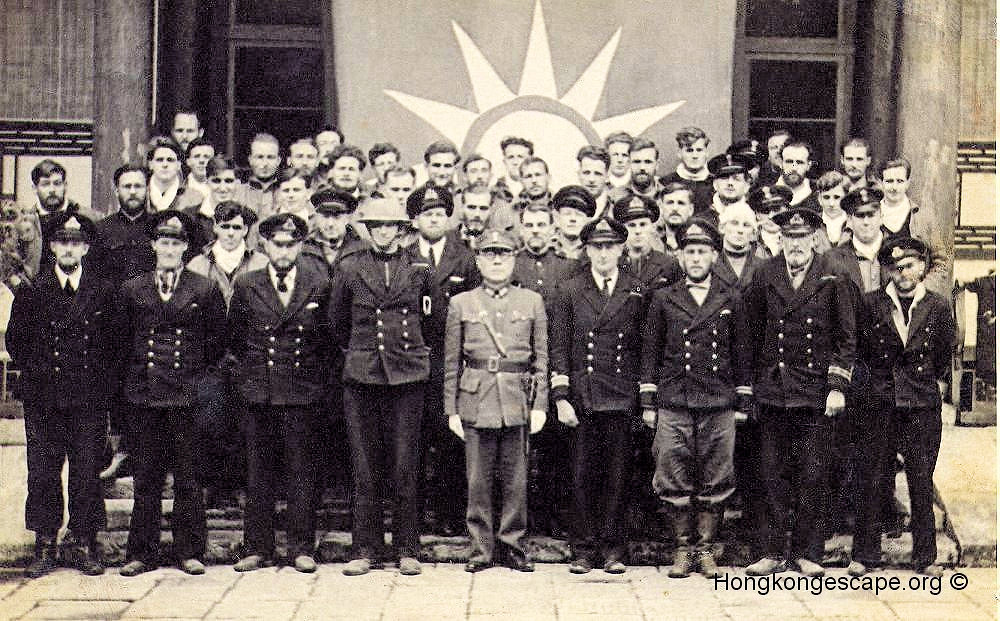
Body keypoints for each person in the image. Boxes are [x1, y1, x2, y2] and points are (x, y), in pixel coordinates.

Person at [329, 198, 443, 576]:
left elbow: (433, 322)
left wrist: (412, 356)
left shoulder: (421, 270)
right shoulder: (349, 268)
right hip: (363, 376)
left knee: (405, 462)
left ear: (400, 229)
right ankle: (365, 548)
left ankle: (408, 548)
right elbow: (337, 324)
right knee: (365, 464)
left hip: (408, 375)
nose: (383, 232)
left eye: (389, 225)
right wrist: (360, 354)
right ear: (367, 229)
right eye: (375, 225)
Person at [742, 207, 856, 578]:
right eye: (788, 238)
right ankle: (771, 551)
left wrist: (837, 386)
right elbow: (753, 331)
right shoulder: (765, 272)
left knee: (813, 472)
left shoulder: (833, 274)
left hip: (814, 390)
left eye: (801, 237)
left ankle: (809, 553)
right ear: (781, 240)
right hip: (774, 389)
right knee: (771, 472)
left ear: (814, 239)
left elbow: (846, 337)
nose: (795, 245)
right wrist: (754, 384)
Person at [7, 213, 119, 578]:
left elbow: (113, 345)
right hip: (44, 397)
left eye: (76, 242)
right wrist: (41, 374)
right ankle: (45, 543)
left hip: (87, 397)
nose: (69, 248)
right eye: (62, 242)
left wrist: (101, 386)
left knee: (86, 472)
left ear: (86, 248)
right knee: (42, 472)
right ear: (52, 247)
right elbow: (17, 343)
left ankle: (83, 542)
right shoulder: (33, 291)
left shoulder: (103, 290)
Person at [118, 210, 227, 577]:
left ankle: (189, 550)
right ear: (153, 244)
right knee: (146, 477)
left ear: (185, 248)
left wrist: (197, 383)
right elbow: (122, 343)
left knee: (188, 475)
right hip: (145, 396)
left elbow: (216, 341)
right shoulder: (133, 288)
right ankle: (141, 553)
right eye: (163, 241)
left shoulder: (204, 287)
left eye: (176, 243)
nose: (169, 248)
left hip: (185, 394)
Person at [640, 218, 750, 578]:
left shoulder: (730, 297)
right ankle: (682, 549)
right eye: (690, 251)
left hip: (717, 401)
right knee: (673, 475)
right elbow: (651, 352)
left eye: (703, 251)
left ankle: (705, 550)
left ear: (715, 255)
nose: (696, 258)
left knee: (717, 478)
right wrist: (649, 401)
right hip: (675, 400)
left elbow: (742, 352)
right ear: (681, 255)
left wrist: (742, 399)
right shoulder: (664, 297)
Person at [228, 213, 331, 573]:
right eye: (277, 244)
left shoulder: (318, 283)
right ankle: (257, 547)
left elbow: (327, 341)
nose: (284, 251)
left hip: (302, 392)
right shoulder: (246, 284)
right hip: (260, 391)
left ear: (301, 246)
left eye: (291, 244)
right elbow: (235, 340)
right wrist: (248, 381)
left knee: (301, 471)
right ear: (265, 246)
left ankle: (301, 547)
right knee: (258, 471)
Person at [443, 228, 549, 572]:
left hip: (517, 399)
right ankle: (481, 551)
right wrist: (451, 409)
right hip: (476, 399)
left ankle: (514, 547)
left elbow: (541, 360)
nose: (497, 260)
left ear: (514, 259)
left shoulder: (531, 301)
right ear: (478, 260)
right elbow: (450, 362)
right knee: (477, 481)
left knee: (517, 482)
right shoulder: (461, 303)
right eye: (490, 254)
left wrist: (540, 405)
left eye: (504, 253)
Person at [851, 237, 954, 578]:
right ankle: (865, 555)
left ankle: (925, 557)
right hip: (880, 403)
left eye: (909, 266)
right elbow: (862, 352)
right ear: (888, 271)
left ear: (922, 268)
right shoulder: (871, 304)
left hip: (921, 405)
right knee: (872, 478)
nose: (903, 273)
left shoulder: (938, 306)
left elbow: (943, 355)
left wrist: (934, 390)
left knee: (921, 480)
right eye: (896, 268)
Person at [550, 217, 647, 575]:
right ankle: (583, 548)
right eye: (596, 247)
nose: (603, 254)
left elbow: (641, 348)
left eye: (610, 246)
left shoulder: (636, 291)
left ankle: (613, 550)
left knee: (618, 476)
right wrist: (561, 396)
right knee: (580, 474)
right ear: (586, 250)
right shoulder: (569, 290)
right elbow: (559, 346)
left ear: (621, 248)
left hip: (621, 397)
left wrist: (641, 398)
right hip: (582, 397)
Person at [404, 185, 479, 536]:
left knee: (451, 439)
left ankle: (450, 514)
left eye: (439, 214)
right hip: (412, 358)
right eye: (426, 214)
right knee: (413, 440)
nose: (434, 219)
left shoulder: (464, 258)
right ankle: (413, 515)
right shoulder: (404, 257)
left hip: (452, 361)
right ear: (415, 219)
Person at [185, 201, 267, 504]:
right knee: (210, 418)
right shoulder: (198, 264)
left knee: (248, 420)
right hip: (210, 351)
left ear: (246, 229)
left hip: (250, 351)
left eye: (237, 227)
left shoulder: (260, 262)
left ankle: (243, 484)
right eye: (225, 226)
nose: (231, 233)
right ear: (215, 227)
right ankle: (212, 484)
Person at [19, 159, 92, 277]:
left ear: (65, 185)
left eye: (57, 183)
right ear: (34, 188)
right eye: (45, 184)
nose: (52, 190)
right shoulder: (24, 222)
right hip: (36, 291)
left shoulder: (88, 218)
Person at [660, 128, 713, 211]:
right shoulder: (665, 183)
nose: (695, 155)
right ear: (679, 153)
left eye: (699, 150)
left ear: (706, 153)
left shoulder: (716, 183)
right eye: (689, 150)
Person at [146, 137, 203, 213]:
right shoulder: (141, 193)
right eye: (159, 160)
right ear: (151, 164)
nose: (165, 165)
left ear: (179, 165)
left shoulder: (195, 197)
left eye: (170, 160)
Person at [702, 153, 753, 226]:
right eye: (724, 178)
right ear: (715, 184)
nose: (730, 183)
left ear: (747, 186)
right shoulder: (703, 219)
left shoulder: (753, 216)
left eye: (736, 179)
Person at [551, 185, 597, 260]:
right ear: (557, 218)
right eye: (567, 214)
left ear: (588, 221)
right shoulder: (546, 248)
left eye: (579, 215)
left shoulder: (595, 251)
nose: (573, 219)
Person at [245, 133, 282, 217]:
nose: (265, 163)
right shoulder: (237, 191)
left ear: (278, 161)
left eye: (270, 157)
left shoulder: (288, 191)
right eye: (259, 157)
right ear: (250, 160)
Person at [813, 171, 851, 253]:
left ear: (846, 198)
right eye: (826, 197)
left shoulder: (853, 223)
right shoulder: (812, 224)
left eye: (837, 197)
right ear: (819, 198)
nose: (831, 204)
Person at [776, 141, 819, 211]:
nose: (794, 168)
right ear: (781, 163)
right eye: (789, 162)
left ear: (808, 165)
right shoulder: (768, 190)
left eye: (800, 162)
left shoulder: (819, 191)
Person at [656, 183, 696, 255]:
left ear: (690, 209)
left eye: (681, 203)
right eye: (670, 203)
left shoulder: (699, 240)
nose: (675, 208)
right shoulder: (650, 239)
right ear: (661, 208)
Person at [576, 145, 612, 219]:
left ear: (607, 176)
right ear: (579, 174)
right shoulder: (567, 207)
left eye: (597, 174)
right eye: (586, 173)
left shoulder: (617, 208)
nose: (591, 179)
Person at [494, 136, 533, 200]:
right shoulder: (492, 193)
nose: (515, 162)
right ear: (504, 161)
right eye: (511, 157)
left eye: (520, 157)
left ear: (531, 161)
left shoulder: (542, 193)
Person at [183, 137, 216, 205]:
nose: (201, 161)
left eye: (206, 157)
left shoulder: (224, 188)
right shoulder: (179, 190)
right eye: (197, 156)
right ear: (188, 161)